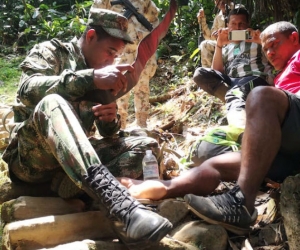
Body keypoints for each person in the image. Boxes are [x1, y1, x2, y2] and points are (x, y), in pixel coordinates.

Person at [2, 7, 172, 248]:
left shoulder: (105, 74)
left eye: (116, 56)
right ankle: (118, 204)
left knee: (146, 147)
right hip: (33, 159)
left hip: (72, 166)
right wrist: (89, 78)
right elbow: (27, 89)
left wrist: (109, 121)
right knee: (53, 103)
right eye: (110, 52)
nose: (112, 60)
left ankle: (66, 189)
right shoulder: (52, 51)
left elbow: (108, 135)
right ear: (91, 36)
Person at [119, 21, 300, 235]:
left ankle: (242, 201)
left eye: (274, 44)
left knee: (260, 95)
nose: (269, 52)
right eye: (265, 48)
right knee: (212, 158)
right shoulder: (280, 75)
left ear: (294, 38)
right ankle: (163, 188)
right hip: (288, 149)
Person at [92, 0, 160, 129]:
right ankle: (120, 127)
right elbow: (95, 18)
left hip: (140, 51)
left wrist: (149, 36)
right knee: (118, 90)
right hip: (119, 52)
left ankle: (142, 125)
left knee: (142, 89)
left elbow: (154, 17)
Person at [194, 7, 273, 103]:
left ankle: (234, 97)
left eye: (241, 24)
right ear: (227, 25)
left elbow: (275, 61)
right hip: (231, 81)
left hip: (252, 78)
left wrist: (261, 42)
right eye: (233, 24)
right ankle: (235, 97)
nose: (237, 27)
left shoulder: (257, 40)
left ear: (248, 24)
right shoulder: (225, 47)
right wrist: (219, 46)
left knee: (247, 86)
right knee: (200, 73)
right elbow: (216, 72)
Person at [197, 0, 229, 68]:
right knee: (205, 45)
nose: (220, 2)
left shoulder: (237, 9)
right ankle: (210, 73)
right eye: (216, 0)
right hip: (222, 46)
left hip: (236, 43)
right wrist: (202, 19)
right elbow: (210, 37)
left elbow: (243, 31)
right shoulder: (218, 17)